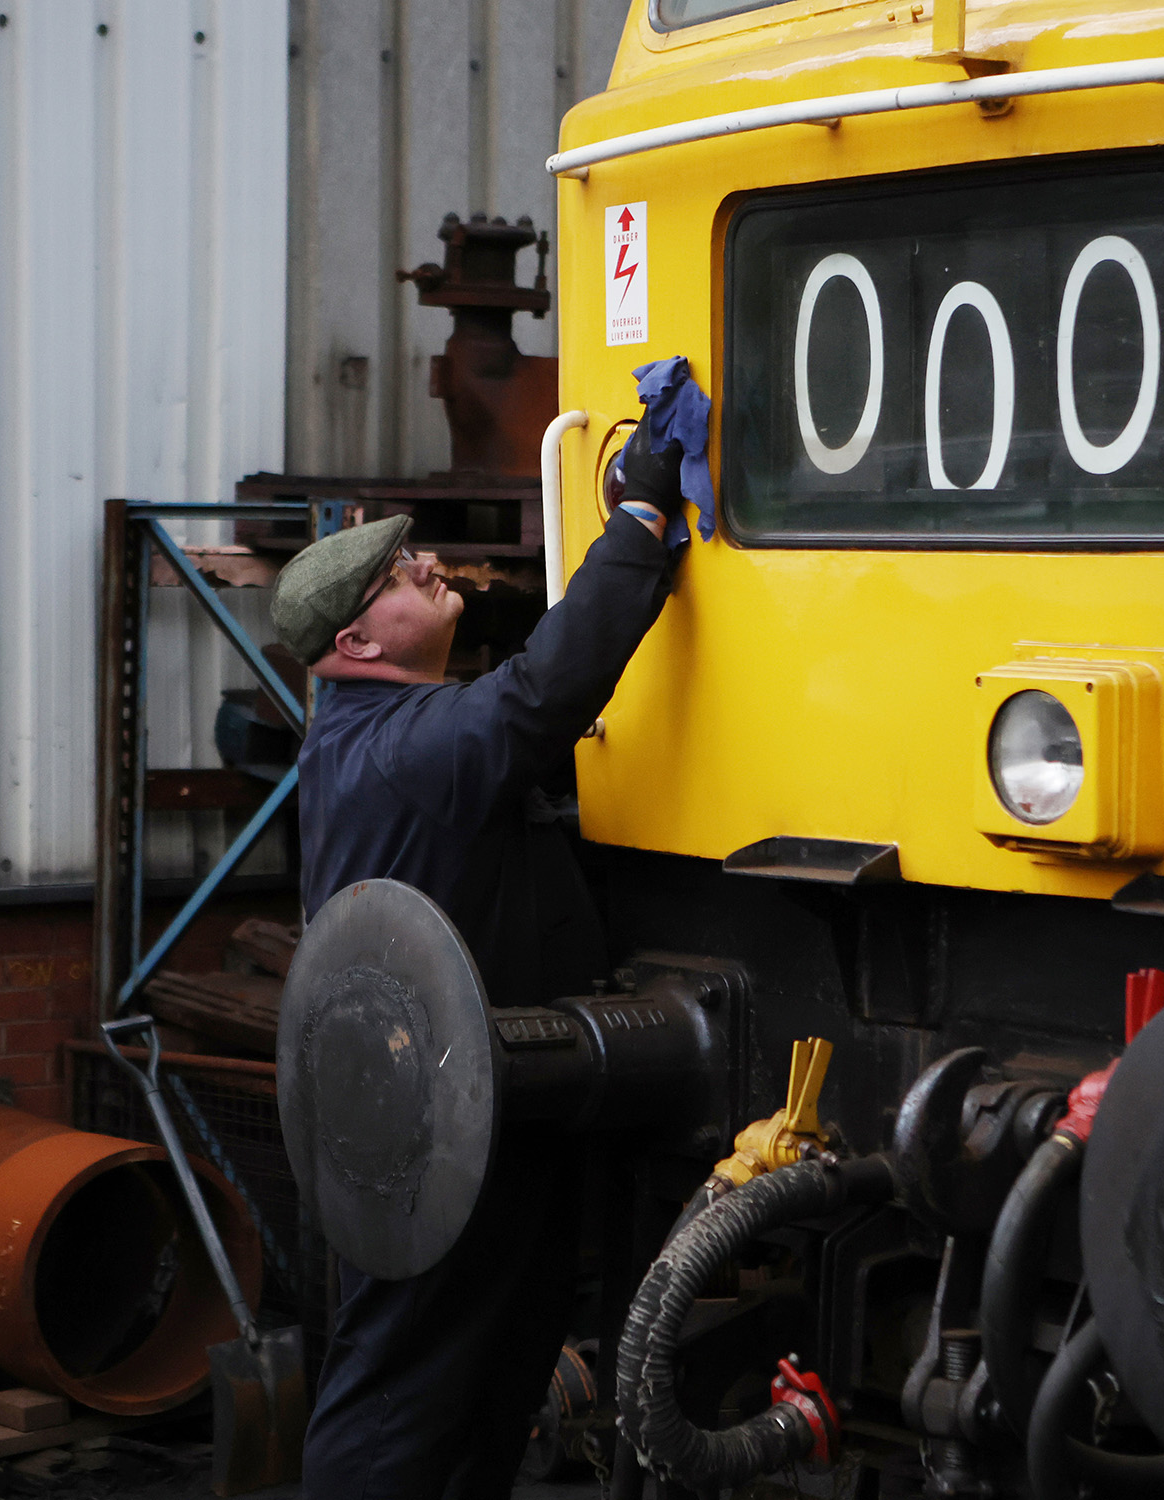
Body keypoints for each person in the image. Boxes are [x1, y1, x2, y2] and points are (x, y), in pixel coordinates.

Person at [269, 399, 694, 1499]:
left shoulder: (365, 738)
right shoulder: (406, 747)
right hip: (435, 1130)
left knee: (492, 1365)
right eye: (395, 574)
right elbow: (542, 693)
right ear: (357, 645)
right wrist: (639, 519)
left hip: (479, 1107)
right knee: (402, 1386)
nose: (424, 564)